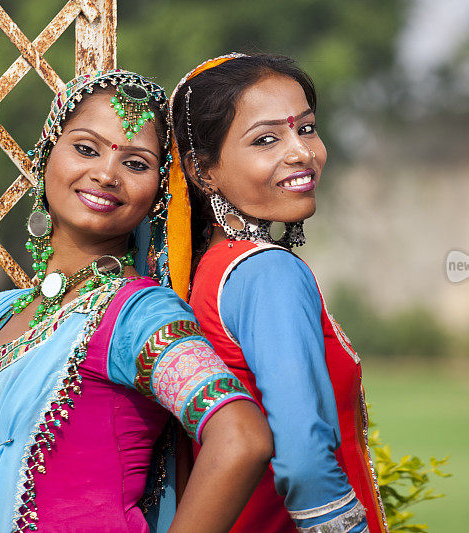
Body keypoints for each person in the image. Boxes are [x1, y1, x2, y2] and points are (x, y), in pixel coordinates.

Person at [0, 69, 272, 533]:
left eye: (137, 164)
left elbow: (241, 437)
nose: (106, 174)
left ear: (158, 193)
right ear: (46, 155)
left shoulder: (136, 316)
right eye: (86, 148)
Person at [168, 54, 388, 533]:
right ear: (203, 170)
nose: (301, 153)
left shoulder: (210, 272)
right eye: (267, 139)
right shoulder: (268, 273)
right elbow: (305, 463)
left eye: (306, 129)